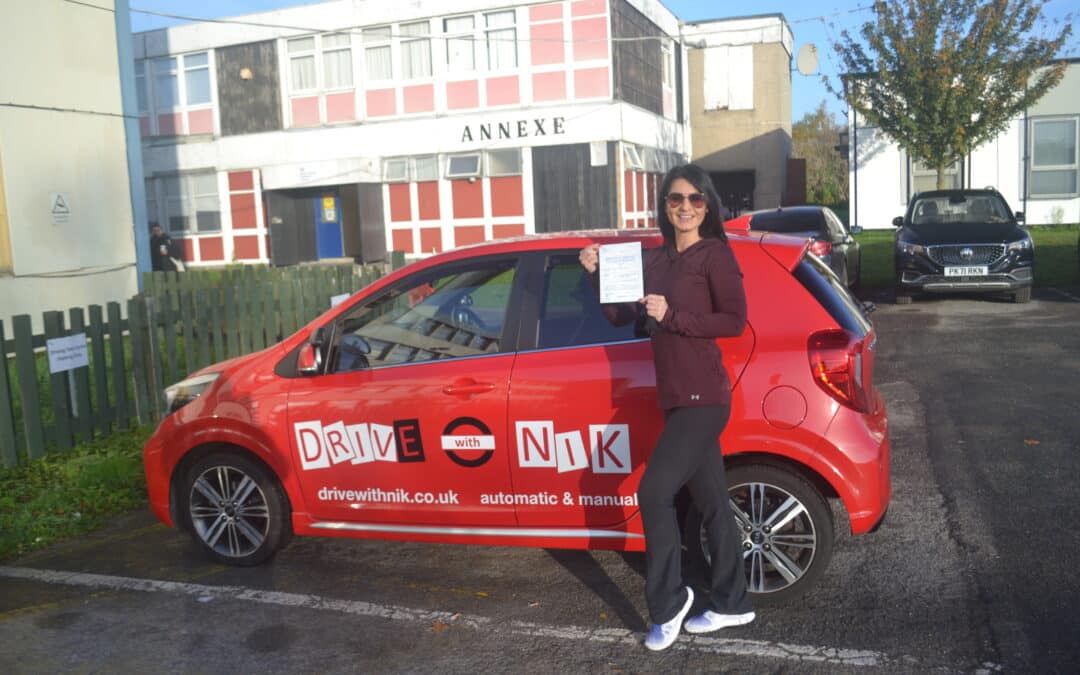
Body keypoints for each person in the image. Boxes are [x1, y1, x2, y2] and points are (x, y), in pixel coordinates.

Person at [579, 163, 753, 651]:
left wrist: (673, 315)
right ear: (664, 206)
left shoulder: (714, 255)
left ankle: (668, 602)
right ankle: (732, 602)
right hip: (676, 398)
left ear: (708, 205)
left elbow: (735, 320)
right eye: (675, 199)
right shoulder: (652, 260)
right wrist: (595, 275)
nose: (685, 207)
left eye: (695, 199)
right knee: (714, 503)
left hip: (705, 397)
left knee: (654, 492)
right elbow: (620, 315)